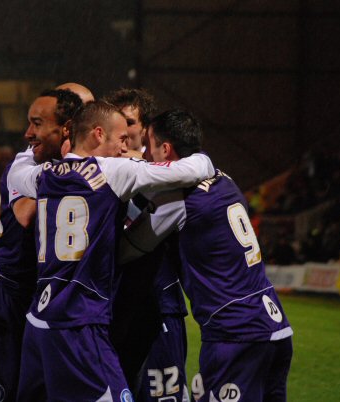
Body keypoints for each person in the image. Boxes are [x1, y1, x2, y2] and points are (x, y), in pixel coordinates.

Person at [7, 100, 214, 401]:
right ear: (98, 134)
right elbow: (193, 170)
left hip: (39, 320)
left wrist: (31, 151)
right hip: (81, 322)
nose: (126, 148)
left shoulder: (44, 175)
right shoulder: (114, 171)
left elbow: (16, 173)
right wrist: (204, 158)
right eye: (122, 139)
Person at [122, 109, 293, 402]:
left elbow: (129, 249)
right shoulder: (224, 179)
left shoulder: (178, 199)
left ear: (166, 149)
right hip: (275, 326)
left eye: (149, 146)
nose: (145, 154)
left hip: (235, 334)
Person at [0, 89, 83, 402]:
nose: (28, 133)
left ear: (67, 127)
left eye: (37, 124)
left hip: (49, 301)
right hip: (7, 295)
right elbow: (26, 215)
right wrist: (76, 171)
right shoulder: (22, 164)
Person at [106, 89, 189, 401]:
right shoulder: (104, 172)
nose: (123, 130)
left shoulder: (167, 174)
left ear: (145, 128)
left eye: (129, 121)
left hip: (159, 305)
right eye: (117, 121)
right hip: (116, 306)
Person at [103, 88, 157, 158]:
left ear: (145, 129)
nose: (122, 130)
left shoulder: (157, 165)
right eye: (116, 122)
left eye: (129, 123)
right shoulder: (98, 161)